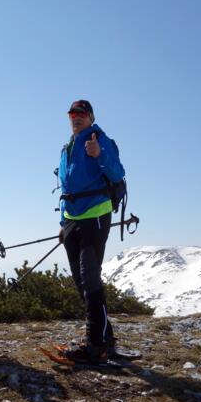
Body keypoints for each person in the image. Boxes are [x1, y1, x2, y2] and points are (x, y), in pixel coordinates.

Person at [57, 99, 125, 364]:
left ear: (91, 117)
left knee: (90, 278)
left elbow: (117, 173)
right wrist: (63, 223)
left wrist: (99, 155)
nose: (76, 118)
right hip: (72, 218)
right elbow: (64, 189)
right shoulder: (67, 147)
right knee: (81, 280)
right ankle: (105, 338)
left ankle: (95, 345)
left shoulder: (100, 139)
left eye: (82, 114)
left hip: (96, 214)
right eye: (73, 114)